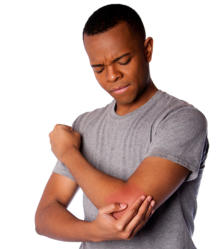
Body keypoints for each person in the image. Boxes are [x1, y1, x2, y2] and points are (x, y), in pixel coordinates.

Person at [35, 4, 209, 249]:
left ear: (147, 49)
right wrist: (94, 231)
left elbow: (125, 213)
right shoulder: (85, 125)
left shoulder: (182, 119)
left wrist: (68, 153)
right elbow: (44, 216)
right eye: (99, 68)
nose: (112, 75)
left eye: (123, 60)